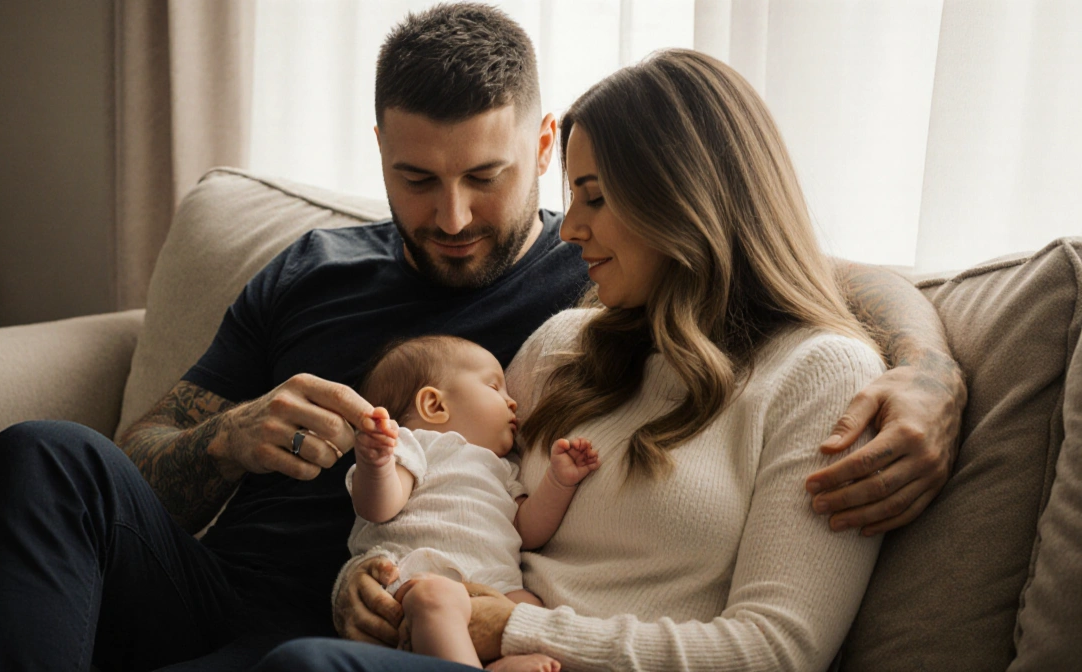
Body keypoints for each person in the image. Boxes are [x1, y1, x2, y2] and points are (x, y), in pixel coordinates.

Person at [0, 4, 964, 671]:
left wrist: (926, 372)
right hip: (248, 593)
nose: (456, 217)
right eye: (417, 180)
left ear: (543, 146)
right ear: (377, 149)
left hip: (413, 625)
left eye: (490, 177)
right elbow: (145, 448)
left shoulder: (590, 281)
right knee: (42, 454)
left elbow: (799, 279)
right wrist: (230, 436)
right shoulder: (320, 269)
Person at [259, 46, 893, 672]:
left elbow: (780, 652)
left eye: (594, 197)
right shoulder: (563, 342)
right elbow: (455, 499)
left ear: (684, 198)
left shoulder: (823, 376)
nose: (568, 229)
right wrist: (365, 584)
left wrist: (513, 627)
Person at [348, 335, 600, 671]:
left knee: (530, 606)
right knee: (435, 600)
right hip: (417, 582)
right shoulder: (417, 445)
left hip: (492, 590)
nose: (513, 404)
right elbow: (379, 507)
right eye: (495, 388)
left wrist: (557, 482)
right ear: (434, 406)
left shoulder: (505, 468)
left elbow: (526, 530)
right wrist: (376, 464)